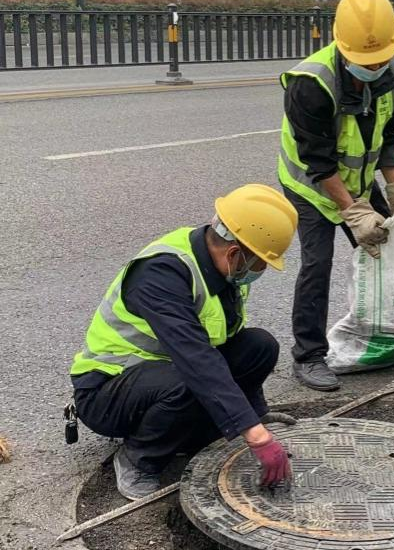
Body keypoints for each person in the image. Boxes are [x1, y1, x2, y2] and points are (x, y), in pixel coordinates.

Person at [69, 185, 298, 500]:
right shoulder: (162, 274)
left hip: (164, 376)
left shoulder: (222, 269)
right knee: (188, 381)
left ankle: (193, 432)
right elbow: (197, 360)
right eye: (262, 263)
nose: (262, 271)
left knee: (260, 347)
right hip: (107, 390)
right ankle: (138, 459)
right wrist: (256, 437)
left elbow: (223, 347)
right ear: (236, 253)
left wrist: (253, 415)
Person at [278, 0, 394, 393]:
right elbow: (318, 163)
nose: (374, 66)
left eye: (381, 58)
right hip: (311, 188)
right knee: (317, 266)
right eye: (363, 61)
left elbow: (387, 134)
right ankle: (309, 354)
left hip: (357, 178)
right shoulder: (310, 83)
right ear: (342, 46)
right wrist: (354, 213)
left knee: (388, 246)